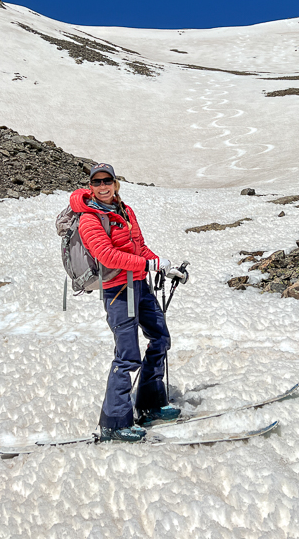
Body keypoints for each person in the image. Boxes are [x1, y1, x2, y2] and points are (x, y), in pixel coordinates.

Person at [69, 163, 182, 442]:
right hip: (118, 292)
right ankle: (114, 421)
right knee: (127, 355)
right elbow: (107, 256)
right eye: (97, 182)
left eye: (108, 180)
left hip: (139, 286)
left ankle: (149, 404)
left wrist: (161, 265)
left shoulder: (124, 210)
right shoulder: (89, 219)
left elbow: (138, 246)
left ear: (115, 183)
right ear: (91, 187)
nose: (103, 186)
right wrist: (147, 263)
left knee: (160, 338)